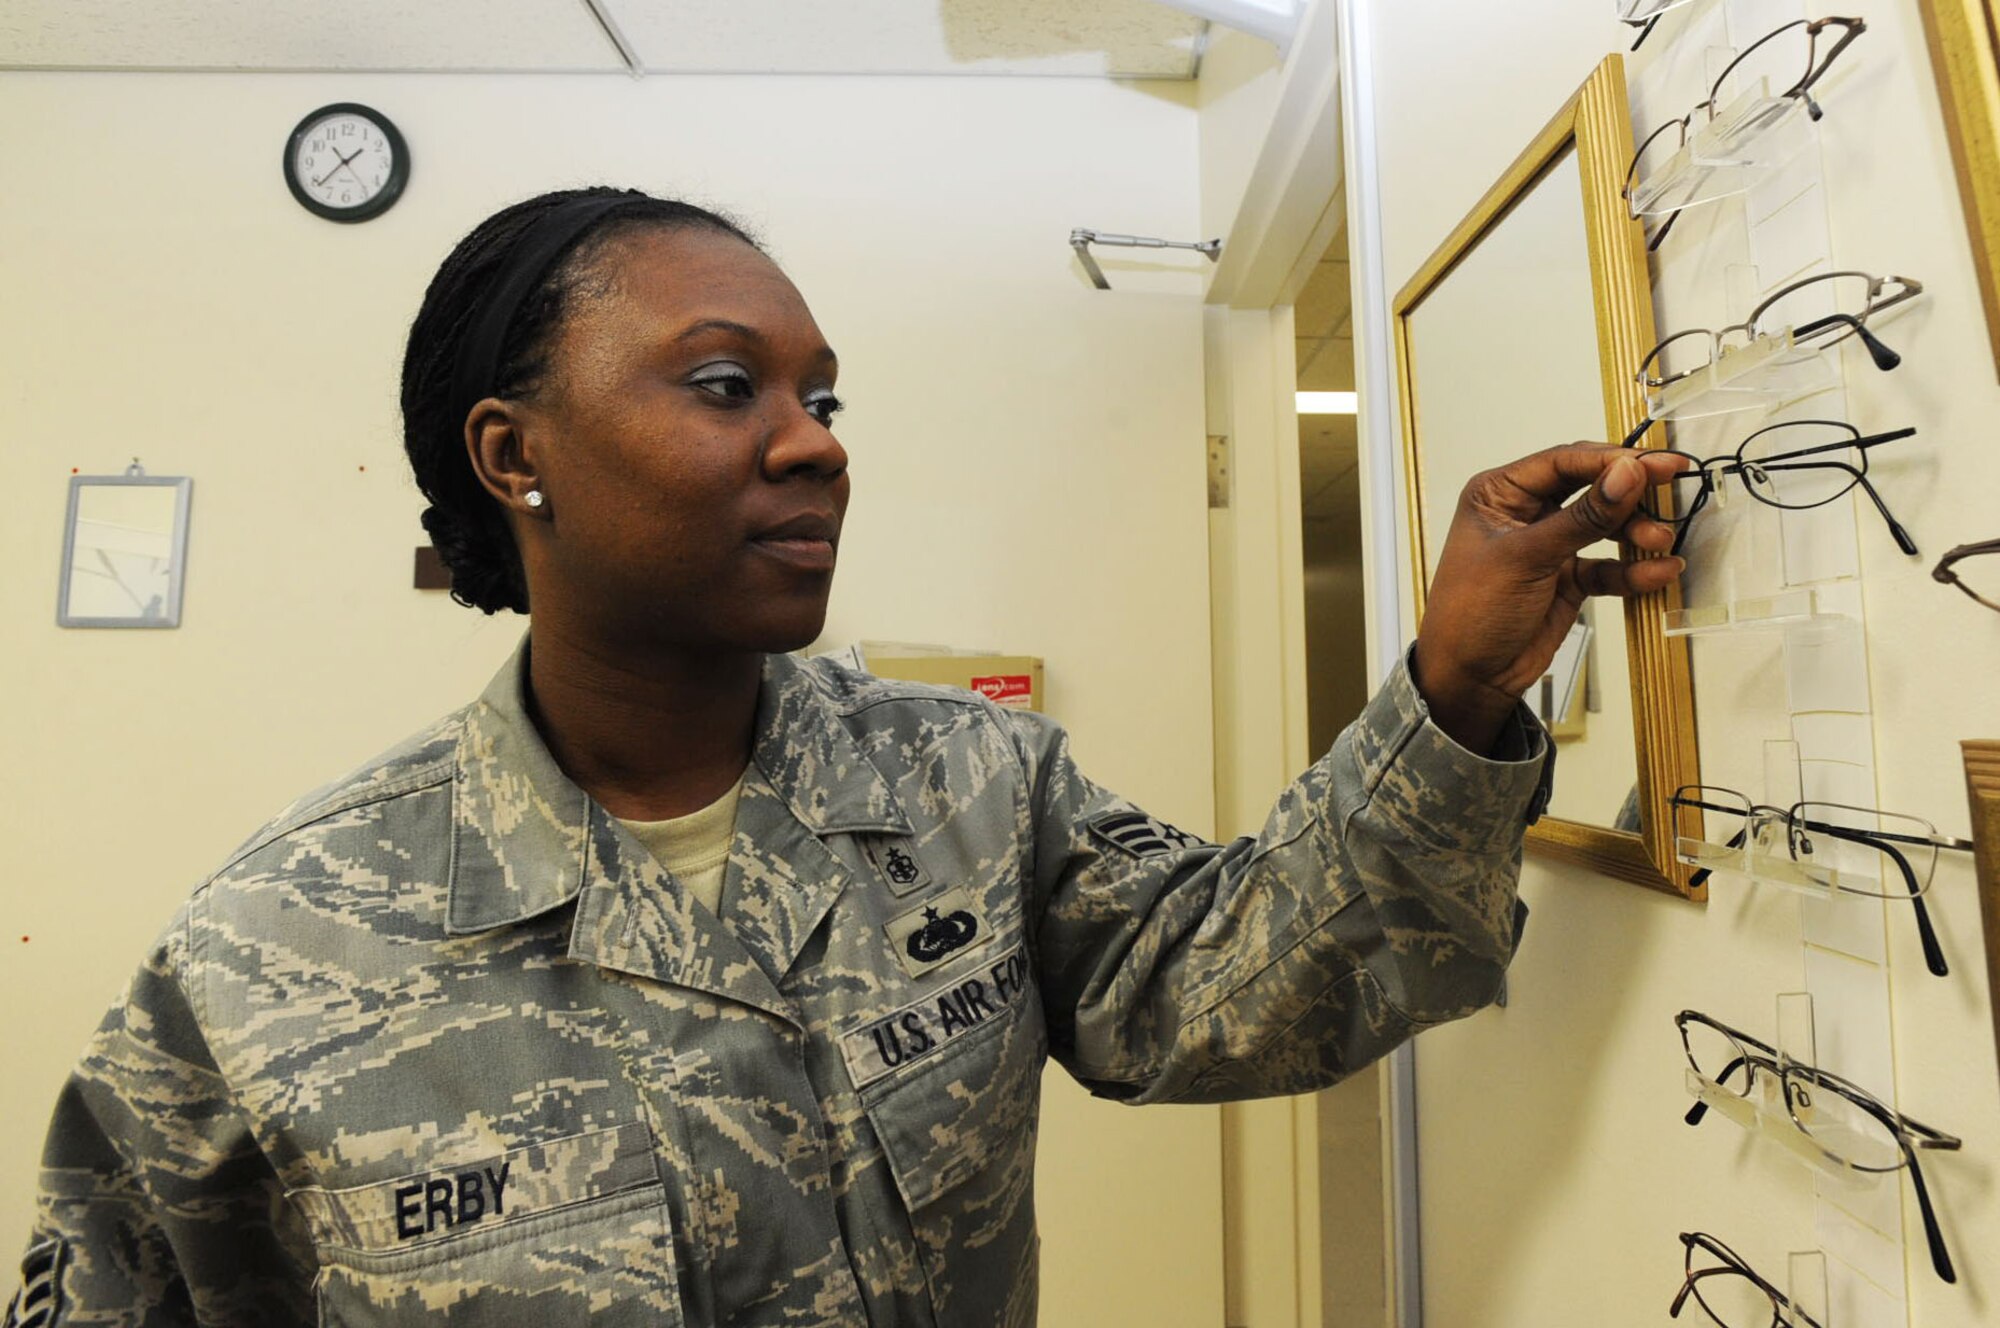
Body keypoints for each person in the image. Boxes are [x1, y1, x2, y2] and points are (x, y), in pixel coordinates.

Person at [8, 187, 1688, 1328]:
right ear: (516, 457)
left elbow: (1253, 982)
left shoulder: (971, 790)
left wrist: (1460, 680)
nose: (814, 446)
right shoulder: (266, 959)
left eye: (824, 395)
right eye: (728, 386)